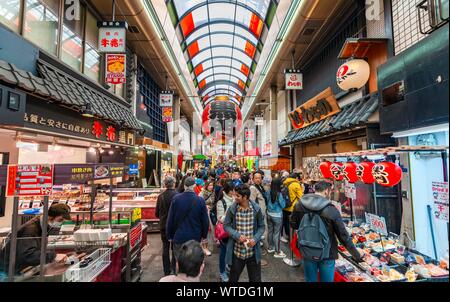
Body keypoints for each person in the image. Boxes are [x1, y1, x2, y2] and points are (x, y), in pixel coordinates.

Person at [290, 181, 364, 282]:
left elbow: (293, 224)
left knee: (310, 280)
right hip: (327, 253)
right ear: (326, 192)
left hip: (306, 249)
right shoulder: (331, 210)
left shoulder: (299, 205)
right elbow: (343, 237)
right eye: (330, 192)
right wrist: (356, 255)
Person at [0, 204, 72, 274]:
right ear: (50, 217)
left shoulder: (42, 226)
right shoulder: (30, 230)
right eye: (60, 220)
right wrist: (53, 256)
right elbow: (28, 255)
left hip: (19, 267)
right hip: (11, 271)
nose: (61, 223)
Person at [224, 185, 265, 282]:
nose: (235, 197)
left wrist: (255, 239)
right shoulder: (232, 209)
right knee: (233, 279)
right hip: (237, 253)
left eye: (237, 196)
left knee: (255, 279)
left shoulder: (256, 209)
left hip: (252, 253)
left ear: (245, 197)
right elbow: (226, 226)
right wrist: (236, 235)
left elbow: (262, 227)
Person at [166, 177, 210, 259]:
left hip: (179, 236)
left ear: (184, 186)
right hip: (195, 236)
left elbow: (170, 218)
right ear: (194, 186)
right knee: (193, 262)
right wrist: (204, 235)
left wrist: (169, 235)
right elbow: (205, 220)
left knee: (179, 261)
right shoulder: (200, 200)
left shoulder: (176, 198)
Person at [155, 176, 178, 276]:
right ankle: (174, 268)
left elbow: (156, 213)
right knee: (174, 247)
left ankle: (166, 270)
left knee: (165, 247)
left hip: (163, 225)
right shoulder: (178, 196)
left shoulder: (161, 196)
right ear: (174, 183)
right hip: (175, 226)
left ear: (165, 184)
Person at [215, 180, 235, 282]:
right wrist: (230, 211)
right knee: (223, 253)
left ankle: (228, 266)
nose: (234, 192)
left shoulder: (235, 199)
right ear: (229, 191)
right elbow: (220, 218)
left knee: (231, 251)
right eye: (233, 190)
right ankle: (222, 272)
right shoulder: (221, 202)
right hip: (225, 232)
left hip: (235, 230)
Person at [281, 172, 304, 243]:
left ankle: (287, 235)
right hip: (292, 207)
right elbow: (301, 197)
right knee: (292, 223)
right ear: (296, 178)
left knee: (285, 222)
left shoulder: (284, 182)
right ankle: (292, 237)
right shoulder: (296, 184)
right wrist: (302, 189)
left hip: (284, 206)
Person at [267, 177, 286, 258]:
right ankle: (277, 251)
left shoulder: (268, 192)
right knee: (277, 233)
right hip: (277, 215)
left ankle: (270, 247)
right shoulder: (279, 194)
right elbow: (283, 205)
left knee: (270, 231)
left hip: (269, 214)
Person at [250, 171, 268, 249]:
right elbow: (252, 201)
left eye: (259, 178)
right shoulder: (253, 188)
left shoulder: (260, 186)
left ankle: (259, 240)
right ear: (253, 179)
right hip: (258, 212)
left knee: (260, 226)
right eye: (256, 178)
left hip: (262, 211)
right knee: (257, 227)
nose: (258, 179)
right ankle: (257, 242)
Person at [199, 181, 216, 256]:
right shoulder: (202, 193)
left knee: (211, 230)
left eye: (212, 185)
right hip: (204, 214)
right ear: (206, 186)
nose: (211, 187)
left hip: (211, 213)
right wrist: (205, 206)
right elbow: (199, 202)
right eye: (209, 185)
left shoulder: (213, 193)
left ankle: (207, 247)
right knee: (206, 229)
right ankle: (204, 248)